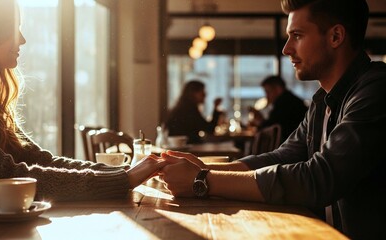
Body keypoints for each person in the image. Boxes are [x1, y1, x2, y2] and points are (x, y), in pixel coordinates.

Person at [159, 0, 386, 239]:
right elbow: (283, 156)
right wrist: (203, 167)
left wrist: (203, 181)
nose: (286, 49)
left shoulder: (376, 90)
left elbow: (319, 178)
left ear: (336, 36)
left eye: (297, 35)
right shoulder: (322, 101)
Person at [0, 0, 166, 229]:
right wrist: (124, 179)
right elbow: (4, 177)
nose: (22, 39)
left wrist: (121, 173)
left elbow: (41, 161)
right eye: (13, 29)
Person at [248, 75, 308, 141]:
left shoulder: (285, 103)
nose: (267, 96)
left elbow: (271, 129)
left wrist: (259, 120)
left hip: (291, 145)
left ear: (278, 89)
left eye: (268, 92)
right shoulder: (290, 100)